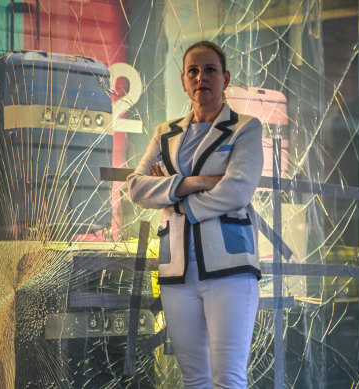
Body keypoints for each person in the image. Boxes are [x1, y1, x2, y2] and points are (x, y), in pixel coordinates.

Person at [127, 40, 263, 389]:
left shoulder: (246, 128)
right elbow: (137, 188)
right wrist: (195, 182)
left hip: (230, 269)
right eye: (193, 71)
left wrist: (176, 201)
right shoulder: (165, 133)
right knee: (194, 380)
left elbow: (237, 190)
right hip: (176, 272)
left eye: (210, 70)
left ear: (225, 77)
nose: (201, 76)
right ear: (185, 81)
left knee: (228, 379)